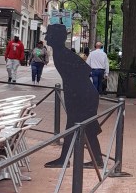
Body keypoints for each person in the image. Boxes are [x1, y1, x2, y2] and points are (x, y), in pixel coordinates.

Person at [44, 22, 102, 166]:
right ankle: (97, 160)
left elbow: (80, 74)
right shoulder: (61, 53)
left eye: (49, 36)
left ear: (56, 38)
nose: (46, 39)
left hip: (82, 95)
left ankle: (65, 159)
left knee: (75, 126)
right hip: (81, 93)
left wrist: (74, 97)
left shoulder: (63, 54)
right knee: (87, 128)